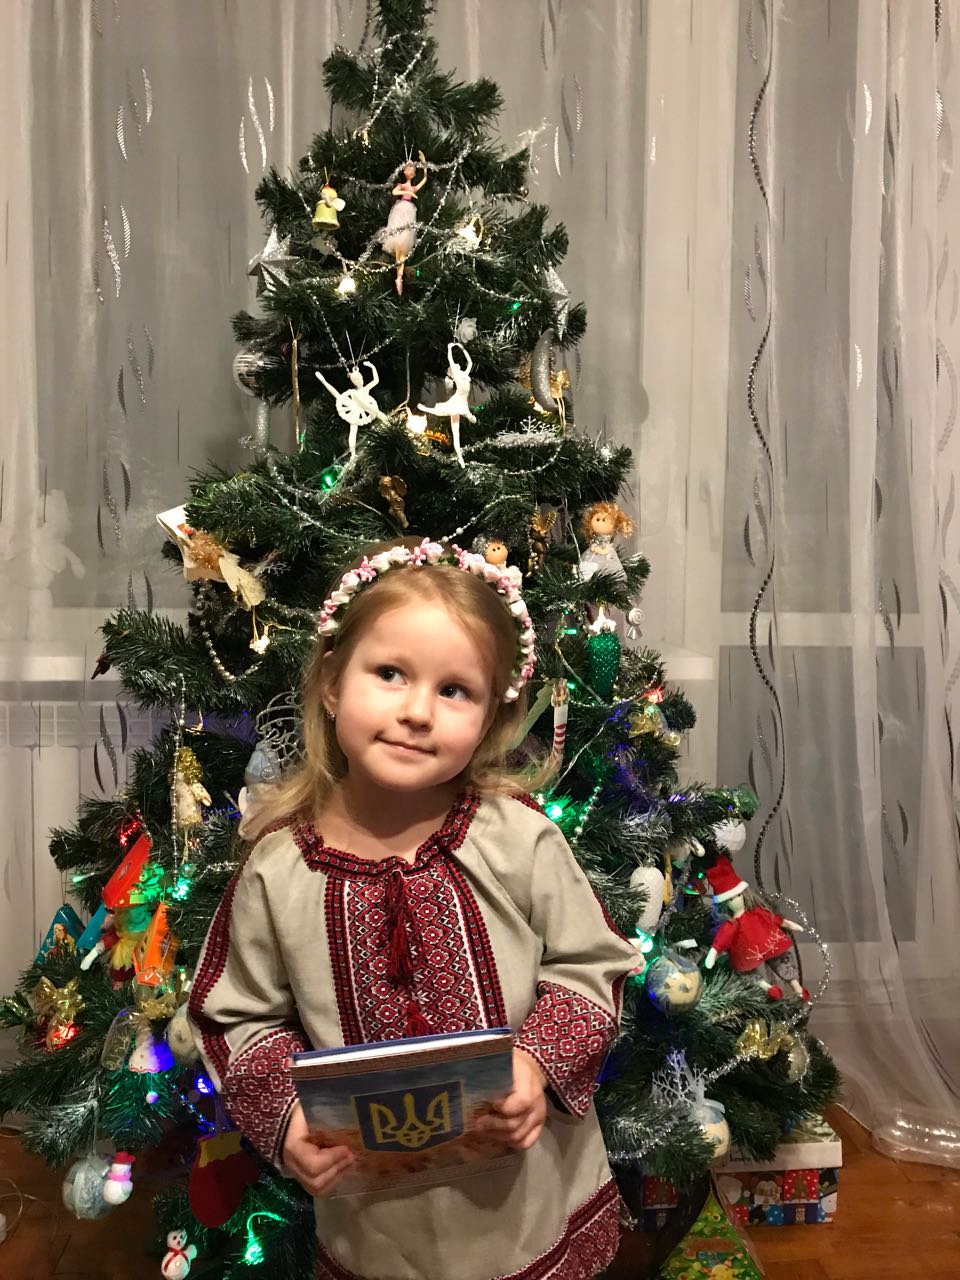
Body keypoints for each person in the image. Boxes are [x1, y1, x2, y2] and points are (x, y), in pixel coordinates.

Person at [188, 536, 638, 1280]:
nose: (418, 712)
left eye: (454, 690)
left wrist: (535, 1063)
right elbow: (237, 1017)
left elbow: (594, 965)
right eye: (390, 674)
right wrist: (289, 1118)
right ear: (332, 683)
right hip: (378, 1226)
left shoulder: (518, 838)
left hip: (525, 1197)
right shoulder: (278, 868)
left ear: (490, 716)